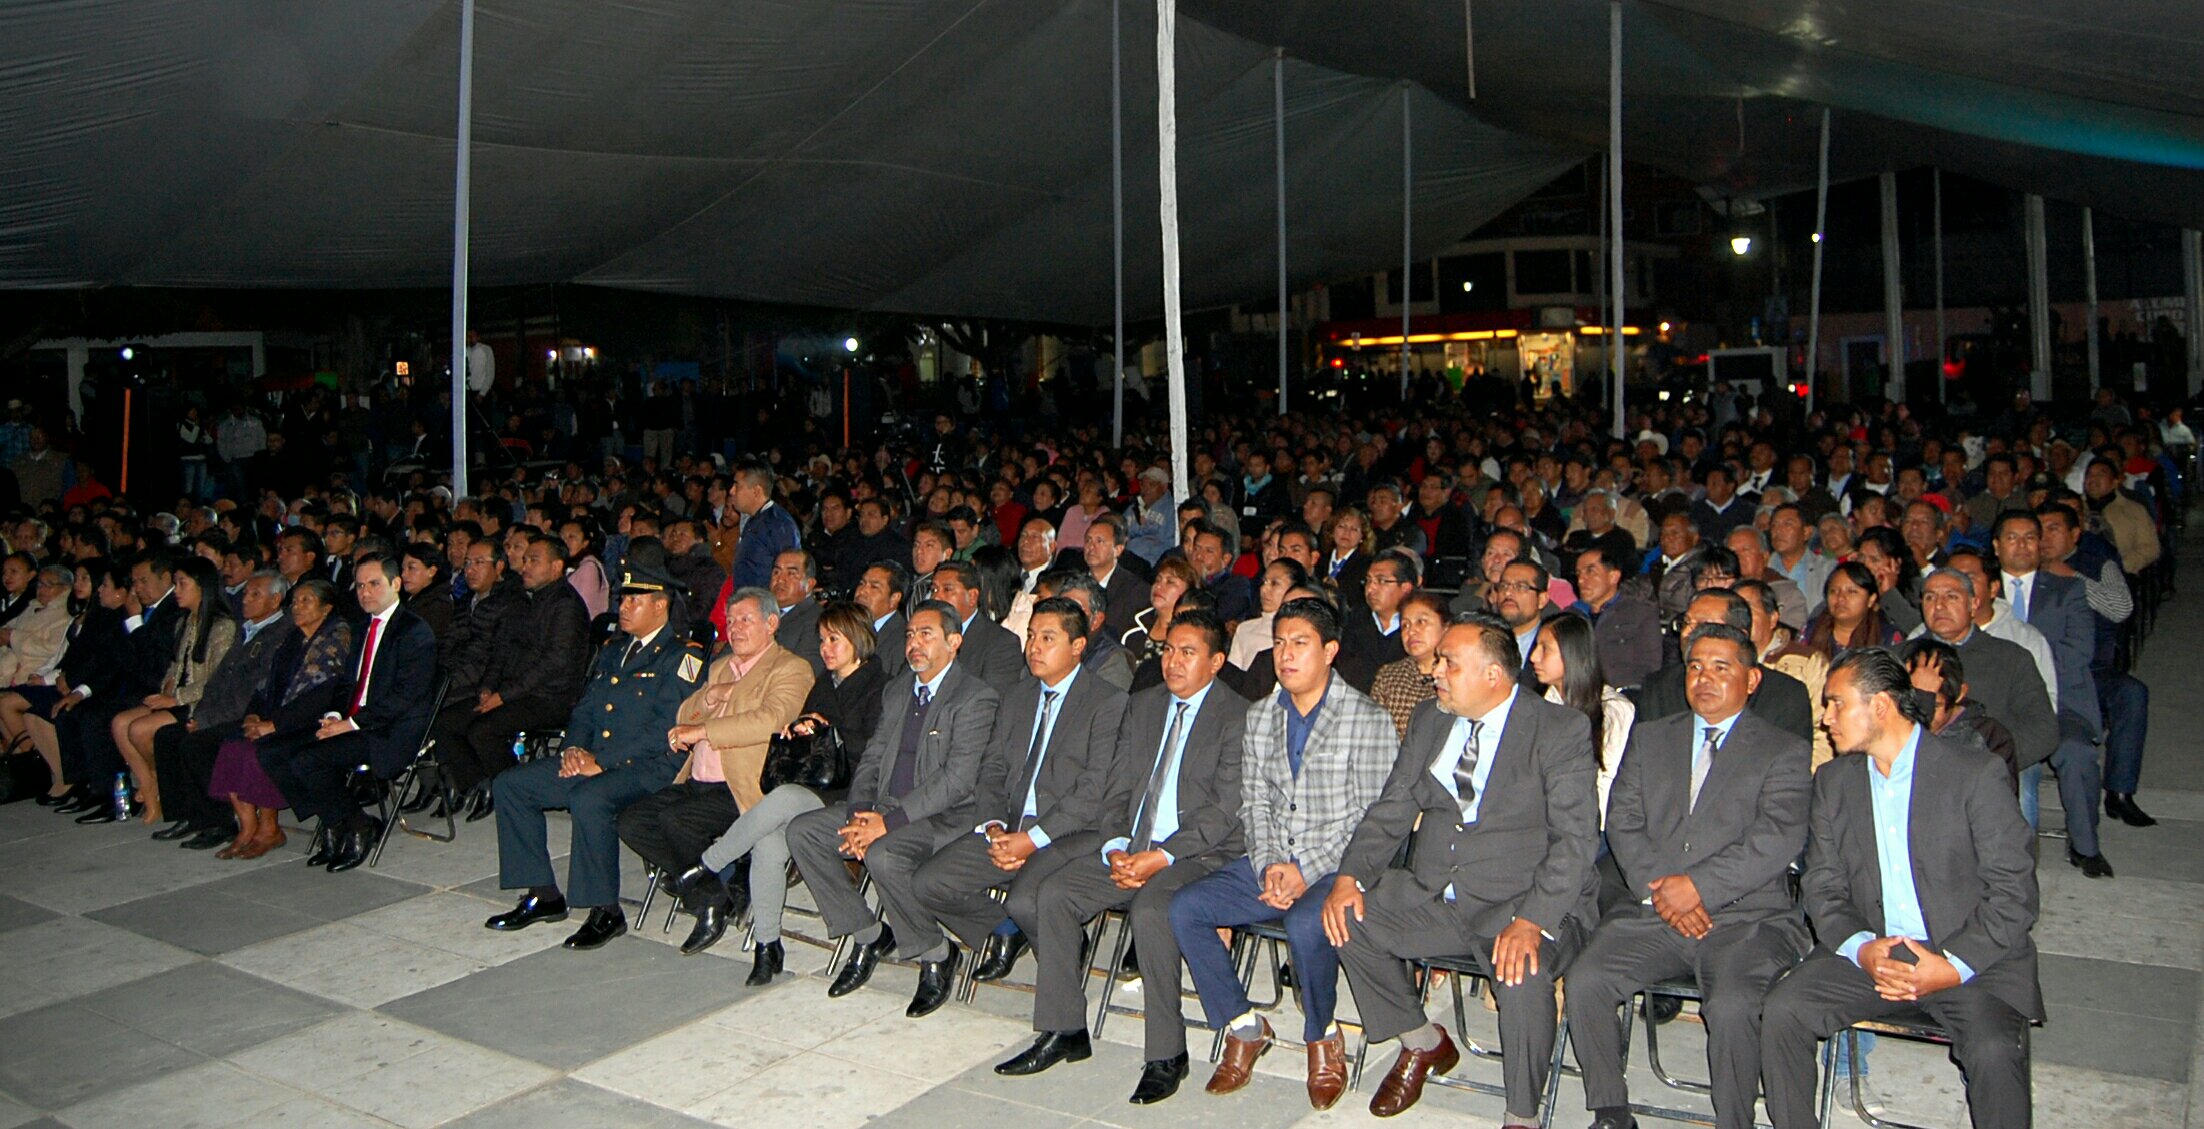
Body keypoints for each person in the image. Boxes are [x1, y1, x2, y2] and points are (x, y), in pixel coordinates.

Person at [1324, 613, 1600, 1124]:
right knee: (1345, 916)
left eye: (1449, 663)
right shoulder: (1431, 719)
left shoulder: (1558, 729)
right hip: (1435, 895)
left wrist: (1533, 920)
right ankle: (1422, 1042)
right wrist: (1350, 877)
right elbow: (1392, 809)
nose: (1436, 671)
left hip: (1519, 901)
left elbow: (1576, 840)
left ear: (1492, 675)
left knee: (1522, 975)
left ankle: (1522, 1115)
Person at [1759, 649, 2041, 1129]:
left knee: (1994, 1050)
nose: (1826, 719)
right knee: (1783, 1011)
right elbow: (1822, 885)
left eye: (1836, 703)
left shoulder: (1973, 774)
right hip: (1876, 949)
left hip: (1967, 954)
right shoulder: (1834, 781)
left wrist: (1951, 966)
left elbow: (2015, 892)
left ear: (1881, 706)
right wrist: (1862, 947)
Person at [993, 608, 1247, 1103]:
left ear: (1216, 662)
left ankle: (1167, 1054)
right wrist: (1115, 847)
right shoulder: (1144, 705)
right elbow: (1115, 790)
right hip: (1131, 847)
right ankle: (1064, 1029)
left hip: (1199, 853)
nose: (1173, 662)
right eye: (1169, 650)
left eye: (1188, 653)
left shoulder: (1238, 716)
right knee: (1055, 893)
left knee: (1153, 910)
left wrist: (1162, 856)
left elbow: (1223, 812)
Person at [1565, 621, 1810, 1129]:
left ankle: (1734, 1121)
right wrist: (1664, 892)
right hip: (1656, 910)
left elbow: (1777, 837)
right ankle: (1611, 1111)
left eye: (1721, 667)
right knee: (1586, 979)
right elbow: (1623, 820)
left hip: (1747, 918)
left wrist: (1696, 888)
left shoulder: (1782, 750)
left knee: (1733, 1005)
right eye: (1695, 666)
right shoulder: (1653, 737)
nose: (1704, 678)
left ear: (1752, 679)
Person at [1167, 597, 1396, 1111]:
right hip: (1272, 859)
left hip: (1337, 865)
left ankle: (1323, 1035)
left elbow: (1372, 818)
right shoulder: (1261, 716)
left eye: (1299, 643)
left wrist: (1304, 870)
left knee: (1306, 923)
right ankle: (1244, 1025)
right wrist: (1271, 864)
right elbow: (1254, 802)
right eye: (1278, 643)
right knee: (1186, 908)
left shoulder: (1367, 719)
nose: (1285, 655)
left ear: (1329, 651)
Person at [907, 596, 1127, 1014]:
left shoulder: (1108, 702)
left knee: (1028, 900)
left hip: (1067, 833)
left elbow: (1093, 792)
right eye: (1031, 636)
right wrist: (994, 826)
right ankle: (1010, 930)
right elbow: (991, 769)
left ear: (1078, 646)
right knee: (928, 883)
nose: (1034, 647)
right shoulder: (1016, 695)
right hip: (1008, 827)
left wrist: (1032, 839)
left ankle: (1062, 995)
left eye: (1047, 638)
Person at [483, 562, 707, 948]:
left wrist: (601, 762)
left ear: (660, 606)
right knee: (512, 785)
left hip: (650, 767)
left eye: (634, 601)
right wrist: (573, 748)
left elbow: (664, 729)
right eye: (623, 600)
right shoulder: (613, 651)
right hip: (595, 757)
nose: (623, 607)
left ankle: (606, 910)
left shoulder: (683, 658)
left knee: (590, 797)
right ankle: (543, 895)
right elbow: (585, 709)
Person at [787, 600, 1001, 1000]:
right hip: (884, 809)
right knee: (804, 832)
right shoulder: (899, 689)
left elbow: (956, 781)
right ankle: (869, 935)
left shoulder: (975, 697)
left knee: (882, 853)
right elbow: (872, 757)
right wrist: (858, 815)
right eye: (909, 635)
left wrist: (886, 823)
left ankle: (936, 953)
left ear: (954, 642)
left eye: (926, 634)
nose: (914, 643)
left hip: (942, 816)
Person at [677, 602, 886, 980]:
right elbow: (804, 729)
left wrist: (827, 731)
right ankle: (767, 945)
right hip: (816, 780)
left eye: (834, 639)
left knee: (785, 799)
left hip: (854, 787)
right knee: (768, 844)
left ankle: (710, 864)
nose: (825, 648)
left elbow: (877, 748)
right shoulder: (825, 682)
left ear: (857, 639)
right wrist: (798, 728)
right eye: (822, 640)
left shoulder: (880, 685)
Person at [617, 585, 814, 955]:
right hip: (698, 780)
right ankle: (716, 892)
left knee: (677, 821)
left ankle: (706, 902)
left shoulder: (791, 668)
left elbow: (771, 719)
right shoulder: (722, 665)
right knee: (632, 821)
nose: (734, 629)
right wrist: (709, 697)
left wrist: (705, 730)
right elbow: (684, 713)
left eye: (745, 620)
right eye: (730, 621)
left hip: (741, 785)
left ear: (771, 623)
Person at [256, 551, 436, 872]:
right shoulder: (361, 627)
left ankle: (355, 824)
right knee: (271, 751)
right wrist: (335, 716)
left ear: (396, 584)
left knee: (309, 759)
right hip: (356, 721)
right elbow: (345, 684)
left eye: (374, 584)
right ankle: (336, 818)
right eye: (360, 585)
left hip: (390, 729)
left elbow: (404, 698)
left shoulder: (414, 631)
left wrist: (352, 723)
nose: (365, 592)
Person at [428, 533, 594, 819]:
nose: (524, 567)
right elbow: (502, 650)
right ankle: (481, 782)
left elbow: (554, 663)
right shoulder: (527, 601)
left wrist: (503, 696)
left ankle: (517, 791)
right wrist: (488, 687)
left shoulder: (566, 605)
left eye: (533, 561)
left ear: (556, 567)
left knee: (483, 730)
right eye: (525, 560)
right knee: (445, 722)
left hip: (550, 697)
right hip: (516, 691)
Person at [1992, 511, 2108, 877]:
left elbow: (2079, 651)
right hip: (1997, 702)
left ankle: (2085, 846)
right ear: (1996, 546)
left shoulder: (2067, 589)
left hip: (2060, 699)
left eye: (2030, 537)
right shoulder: (1981, 589)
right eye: (2012, 537)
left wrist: (2025, 675)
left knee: (2076, 752)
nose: (2022, 545)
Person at [206, 577, 354, 858]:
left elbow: (321, 697)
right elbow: (266, 684)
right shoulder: (292, 639)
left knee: (260, 751)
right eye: (295, 601)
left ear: (326, 608)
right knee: (232, 745)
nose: (297, 607)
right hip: (277, 717)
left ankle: (269, 828)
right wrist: (253, 714)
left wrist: (274, 725)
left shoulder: (336, 639)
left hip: (314, 721)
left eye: (306, 601)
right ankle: (247, 827)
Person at [146, 570, 294, 848]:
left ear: (275, 600)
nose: (245, 600)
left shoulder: (280, 633)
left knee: (197, 744)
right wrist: (199, 714)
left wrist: (207, 720)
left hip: (251, 714)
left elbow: (251, 691)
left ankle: (219, 822)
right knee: (167, 736)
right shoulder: (246, 628)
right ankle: (188, 815)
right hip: (220, 711)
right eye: (246, 593)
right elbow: (217, 680)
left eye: (255, 595)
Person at [111, 556, 240, 825]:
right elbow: (175, 664)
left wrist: (175, 697)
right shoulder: (185, 622)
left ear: (202, 586)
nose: (177, 591)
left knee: (140, 730)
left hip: (198, 702)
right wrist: (167, 687)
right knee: (120, 723)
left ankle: (157, 784)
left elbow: (216, 681)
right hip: (177, 697)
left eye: (182, 584)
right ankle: (151, 790)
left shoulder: (222, 627)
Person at [1634, 589, 1815, 743]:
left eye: (1703, 625)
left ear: (1739, 635)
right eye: (1686, 623)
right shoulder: (1658, 687)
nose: (1687, 633)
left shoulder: (1785, 695)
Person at [1526, 611, 1632, 820]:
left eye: (1545, 648)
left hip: (1589, 820)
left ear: (1572, 654)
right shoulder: (1537, 704)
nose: (1533, 657)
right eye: (1536, 646)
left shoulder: (1613, 709)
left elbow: (1607, 782)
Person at [1569, 543, 1662, 690]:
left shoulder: (1640, 613)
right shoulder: (1570, 615)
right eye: (1578, 573)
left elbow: (1650, 667)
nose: (1581, 580)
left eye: (1590, 572)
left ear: (1613, 577)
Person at [1369, 589, 1448, 739]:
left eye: (1421, 622)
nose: (1411, 631)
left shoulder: (1457, 675)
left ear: (1446, 628)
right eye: (1405, 625)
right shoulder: (1389, 677)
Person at [1336, 549, 1416, 693]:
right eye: (1368, 581)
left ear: (1405, 588)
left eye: (1381, 581)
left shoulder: (1418, 628)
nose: (1370, 588)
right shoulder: (1351, 622)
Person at [727, 461, 799, 591]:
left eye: (737, 485)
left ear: (756, 491)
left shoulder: (779, 524)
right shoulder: (754, 520)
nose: (731, 491)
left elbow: (790, 573)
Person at [1227, 557, 1305, 671]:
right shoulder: (1245, 629)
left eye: (1274, 583)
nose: (1264, 589)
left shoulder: (1302, 632)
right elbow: (1232, 677)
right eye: (1264, 582)